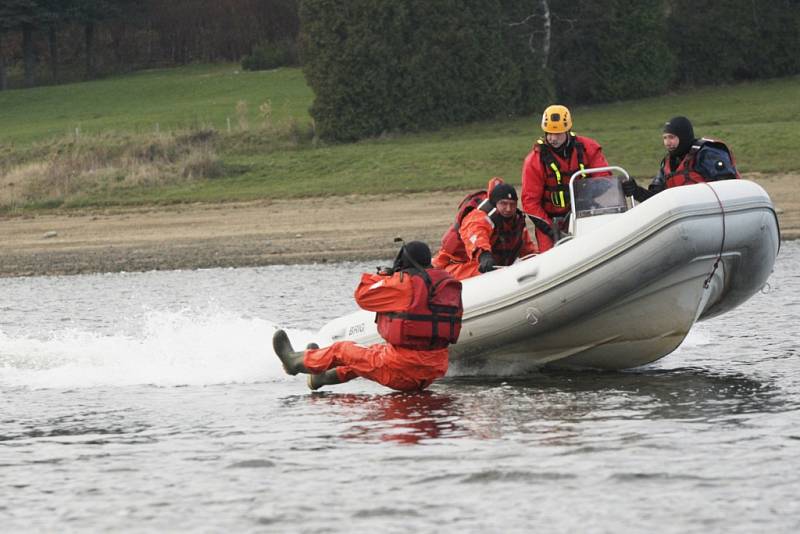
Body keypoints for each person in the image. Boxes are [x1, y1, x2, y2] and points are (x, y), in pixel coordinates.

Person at [272, 241, 463, 391]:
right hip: (431, 371)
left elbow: (362, 296)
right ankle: (320, 376)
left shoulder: (405, 284)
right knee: (366, 355)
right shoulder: (446, 285)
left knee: (342, 350)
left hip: (402, 371)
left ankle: (293, 362)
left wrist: (385, 277)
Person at [521, 104, 609, 252]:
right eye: (549, 133)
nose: (553, 138)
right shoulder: (534, 161)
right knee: (550, 258)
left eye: (558, 134)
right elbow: (530, 202)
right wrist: (551, 230)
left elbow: (604, 178)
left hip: (584, 213)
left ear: (568, 131)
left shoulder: (588, 148)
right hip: (551, 221)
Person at [431, 178, 538, 280]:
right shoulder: (478, 217)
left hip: (494, 267)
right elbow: (476, 235)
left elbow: (527, 249)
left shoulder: (516, 221)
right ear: (495, 204)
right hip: (458, 266)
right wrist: (484, 255)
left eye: (512, 204)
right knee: (486, 272)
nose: (508, 209)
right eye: (504, 204)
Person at [622, 116, 740, 202]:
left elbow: (729, 188)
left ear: (683, 137)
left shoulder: (707, 152)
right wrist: (636, 191)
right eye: (665, 138)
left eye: (671, 137)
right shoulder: (668, 163)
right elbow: (656, 199)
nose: (667, 143)